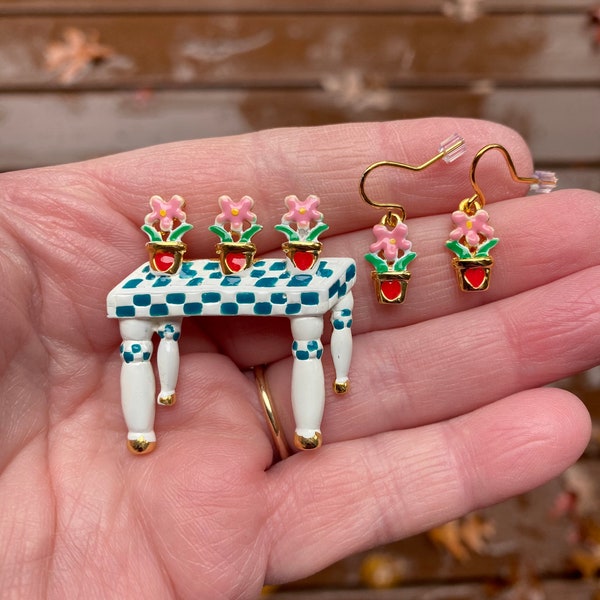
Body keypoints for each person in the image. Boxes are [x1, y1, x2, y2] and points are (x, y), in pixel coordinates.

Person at [0, 117, 597, 599]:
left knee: (186, 333)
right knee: (159, 335)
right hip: (233, 283)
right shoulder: (192, 263)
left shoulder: (309, 261)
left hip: (292, 277)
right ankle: (164, 415)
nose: (235, 250)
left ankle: (296, 408)